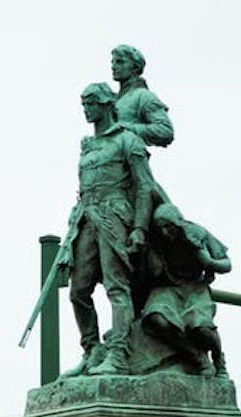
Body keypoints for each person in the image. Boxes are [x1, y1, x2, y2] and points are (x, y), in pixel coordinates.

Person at [58, 82, 155, 376]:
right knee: (78, 291)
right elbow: (82, 193)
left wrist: (139, 228)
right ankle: (92, 350)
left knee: (116, 287)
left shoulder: (128, 141)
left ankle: (119, 354)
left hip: (116, 218)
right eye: (83, 104)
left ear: (105, 104)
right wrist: (68, 239)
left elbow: (144, 187)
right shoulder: (88, 146)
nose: (86, 109)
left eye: (91, 103)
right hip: (86, 220)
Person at [140, 202, 231, 376]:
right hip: (168, 288)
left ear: (178, 222)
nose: (166, 232)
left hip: (195, 288)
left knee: (202, 328)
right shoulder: (155, 242)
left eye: (169, 226)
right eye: (161, 229)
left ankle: (219, 360)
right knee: (157, 318)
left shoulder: (197, 234)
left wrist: (210, 263)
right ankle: (197, 358)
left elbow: (227, 263)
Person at [111, 45, 174, 149]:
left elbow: (165, 131)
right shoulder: (112, 100)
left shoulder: (143, 96)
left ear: (135, 66)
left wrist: (126, 128)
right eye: (112, 62)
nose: (113, 66)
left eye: (120, 62)